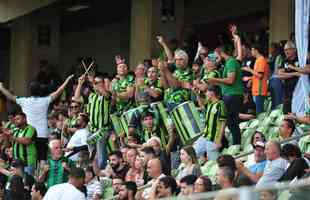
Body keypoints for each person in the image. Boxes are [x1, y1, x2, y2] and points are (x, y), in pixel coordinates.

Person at [0, 75, 74, 162]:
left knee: (30, 159)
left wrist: (1, 87)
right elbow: (59, 91)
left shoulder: (24, 100)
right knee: (42, 159)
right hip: (42, 134)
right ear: (40, 91)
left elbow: (10, 96)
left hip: (29, 134)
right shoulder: (45, 100)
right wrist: (67, 80)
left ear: (30, 91)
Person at [208, 45, 243, 146]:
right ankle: (233, 145)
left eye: (217, 57)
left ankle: (225, 144)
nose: (216, 60)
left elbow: (231, 80)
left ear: (221, 53)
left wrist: (215, 80)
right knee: (231, 124)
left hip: (233, 95)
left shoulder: (231, 62)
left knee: (227, 121)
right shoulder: (229, 63)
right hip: (230, 95)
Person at [157, 36, 193, 110]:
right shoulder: (175, 71)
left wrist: (166, 70)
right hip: (169, 102)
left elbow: (175, 86)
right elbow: (166, 87)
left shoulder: (189, 72)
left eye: (180, 59)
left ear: (186, 61)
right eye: (176, 60)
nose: (178, 62)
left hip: (180, 104)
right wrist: (162, 72)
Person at [242, 44, 269, 114]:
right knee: (258, 112)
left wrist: (249, 70)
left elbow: (260, 75)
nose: (251, 52)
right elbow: (257, 75)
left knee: (259, 113)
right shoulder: (258, 60)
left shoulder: (261, 60)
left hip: (260, 90)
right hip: (256, 90)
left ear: (256, 50)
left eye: (252, 50)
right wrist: (250, 78)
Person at [277, 41, 301, 114]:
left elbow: (302, 73)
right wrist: (294, 74)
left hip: (299, 90)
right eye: (285, 50)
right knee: (286, 113)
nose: (286, 52)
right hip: (288, 92)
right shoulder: (284, 61)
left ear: (294, 49)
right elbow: (280, 76)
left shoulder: (300, 59)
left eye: (288, 49)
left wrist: (287, 74)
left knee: (298, 113)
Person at [203, 85, 228, 150]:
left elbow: (223, 123)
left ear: (212, 93)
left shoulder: (220, 104)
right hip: (205, 136)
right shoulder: (209, 104)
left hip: (214, 139)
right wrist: (197, 94)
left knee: (213, 159)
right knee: (193, 151)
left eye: (207, 92)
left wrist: (219, 140)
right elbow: (202, 106)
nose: (205, 94)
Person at [268, 42, 284, 110]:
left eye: (271, 48)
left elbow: (277, 70)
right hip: (271, 79)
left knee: (277, 99)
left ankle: (277, 112)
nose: (270, 49)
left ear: (275, 49)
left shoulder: (279, 57)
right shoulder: (271, 57)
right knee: (273, 99)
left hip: (277, 79)